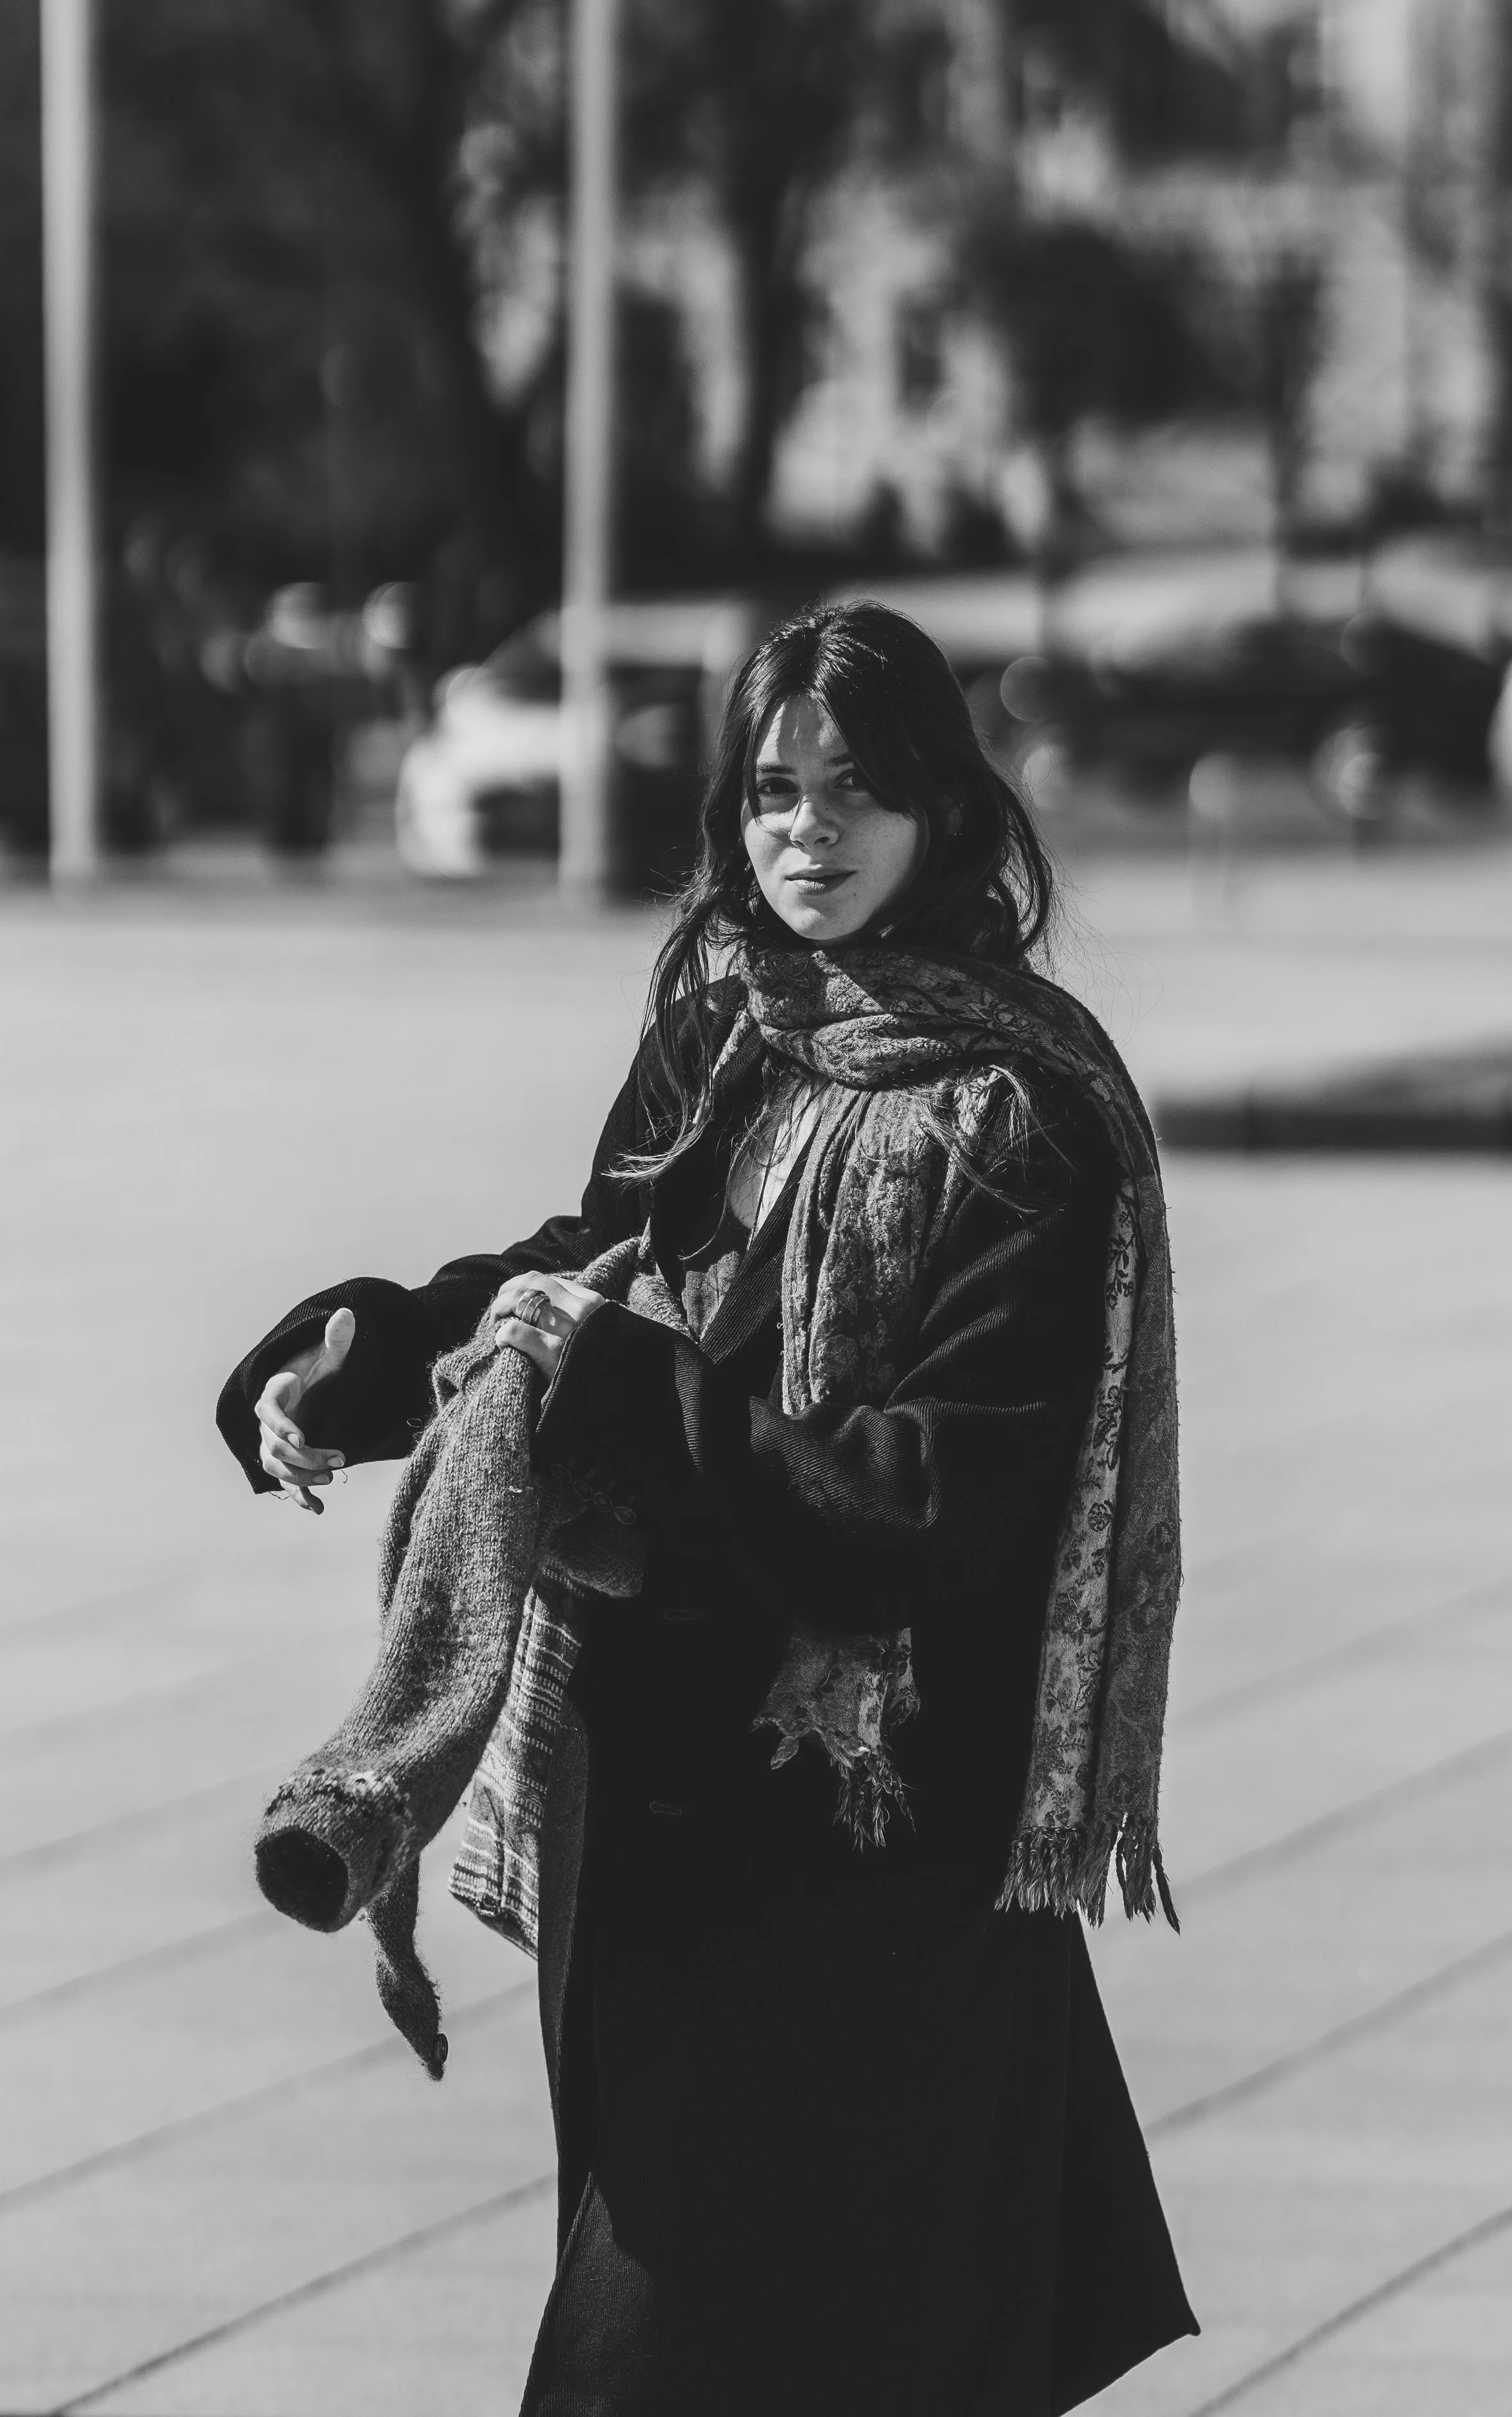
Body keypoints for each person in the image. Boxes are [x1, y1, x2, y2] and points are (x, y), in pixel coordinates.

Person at [217, 602, 1197, 2416]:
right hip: (667, 1796)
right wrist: (365, 1365)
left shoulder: (1017, 1116)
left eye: (857, 789)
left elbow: (935, 1499)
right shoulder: (727, 1031)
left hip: (877, 1834)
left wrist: (642, 1404)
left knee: (739, 2349)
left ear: (950, 817)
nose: (804, 831)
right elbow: (596, 1263)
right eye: (769, 791)